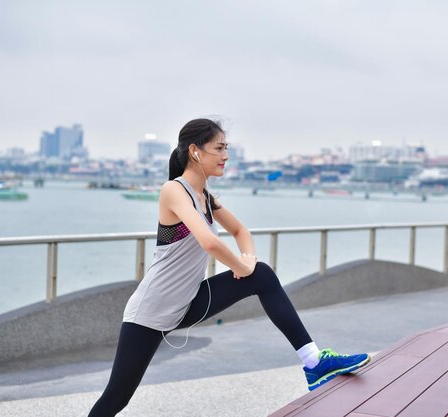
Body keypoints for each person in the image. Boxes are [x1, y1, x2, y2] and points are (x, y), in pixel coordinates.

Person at [88, 118, 371, 416]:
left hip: (190, 302)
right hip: (151, 310)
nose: (226, 156)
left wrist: (247, 263)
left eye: (227, 148)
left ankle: (313, 362)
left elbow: (241, 233)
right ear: (196, 151)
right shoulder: (174, 190)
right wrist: (241, 266)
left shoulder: (206, 198)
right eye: (219, 148)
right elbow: (209, 243)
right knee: (116, 400)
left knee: (261, 274)